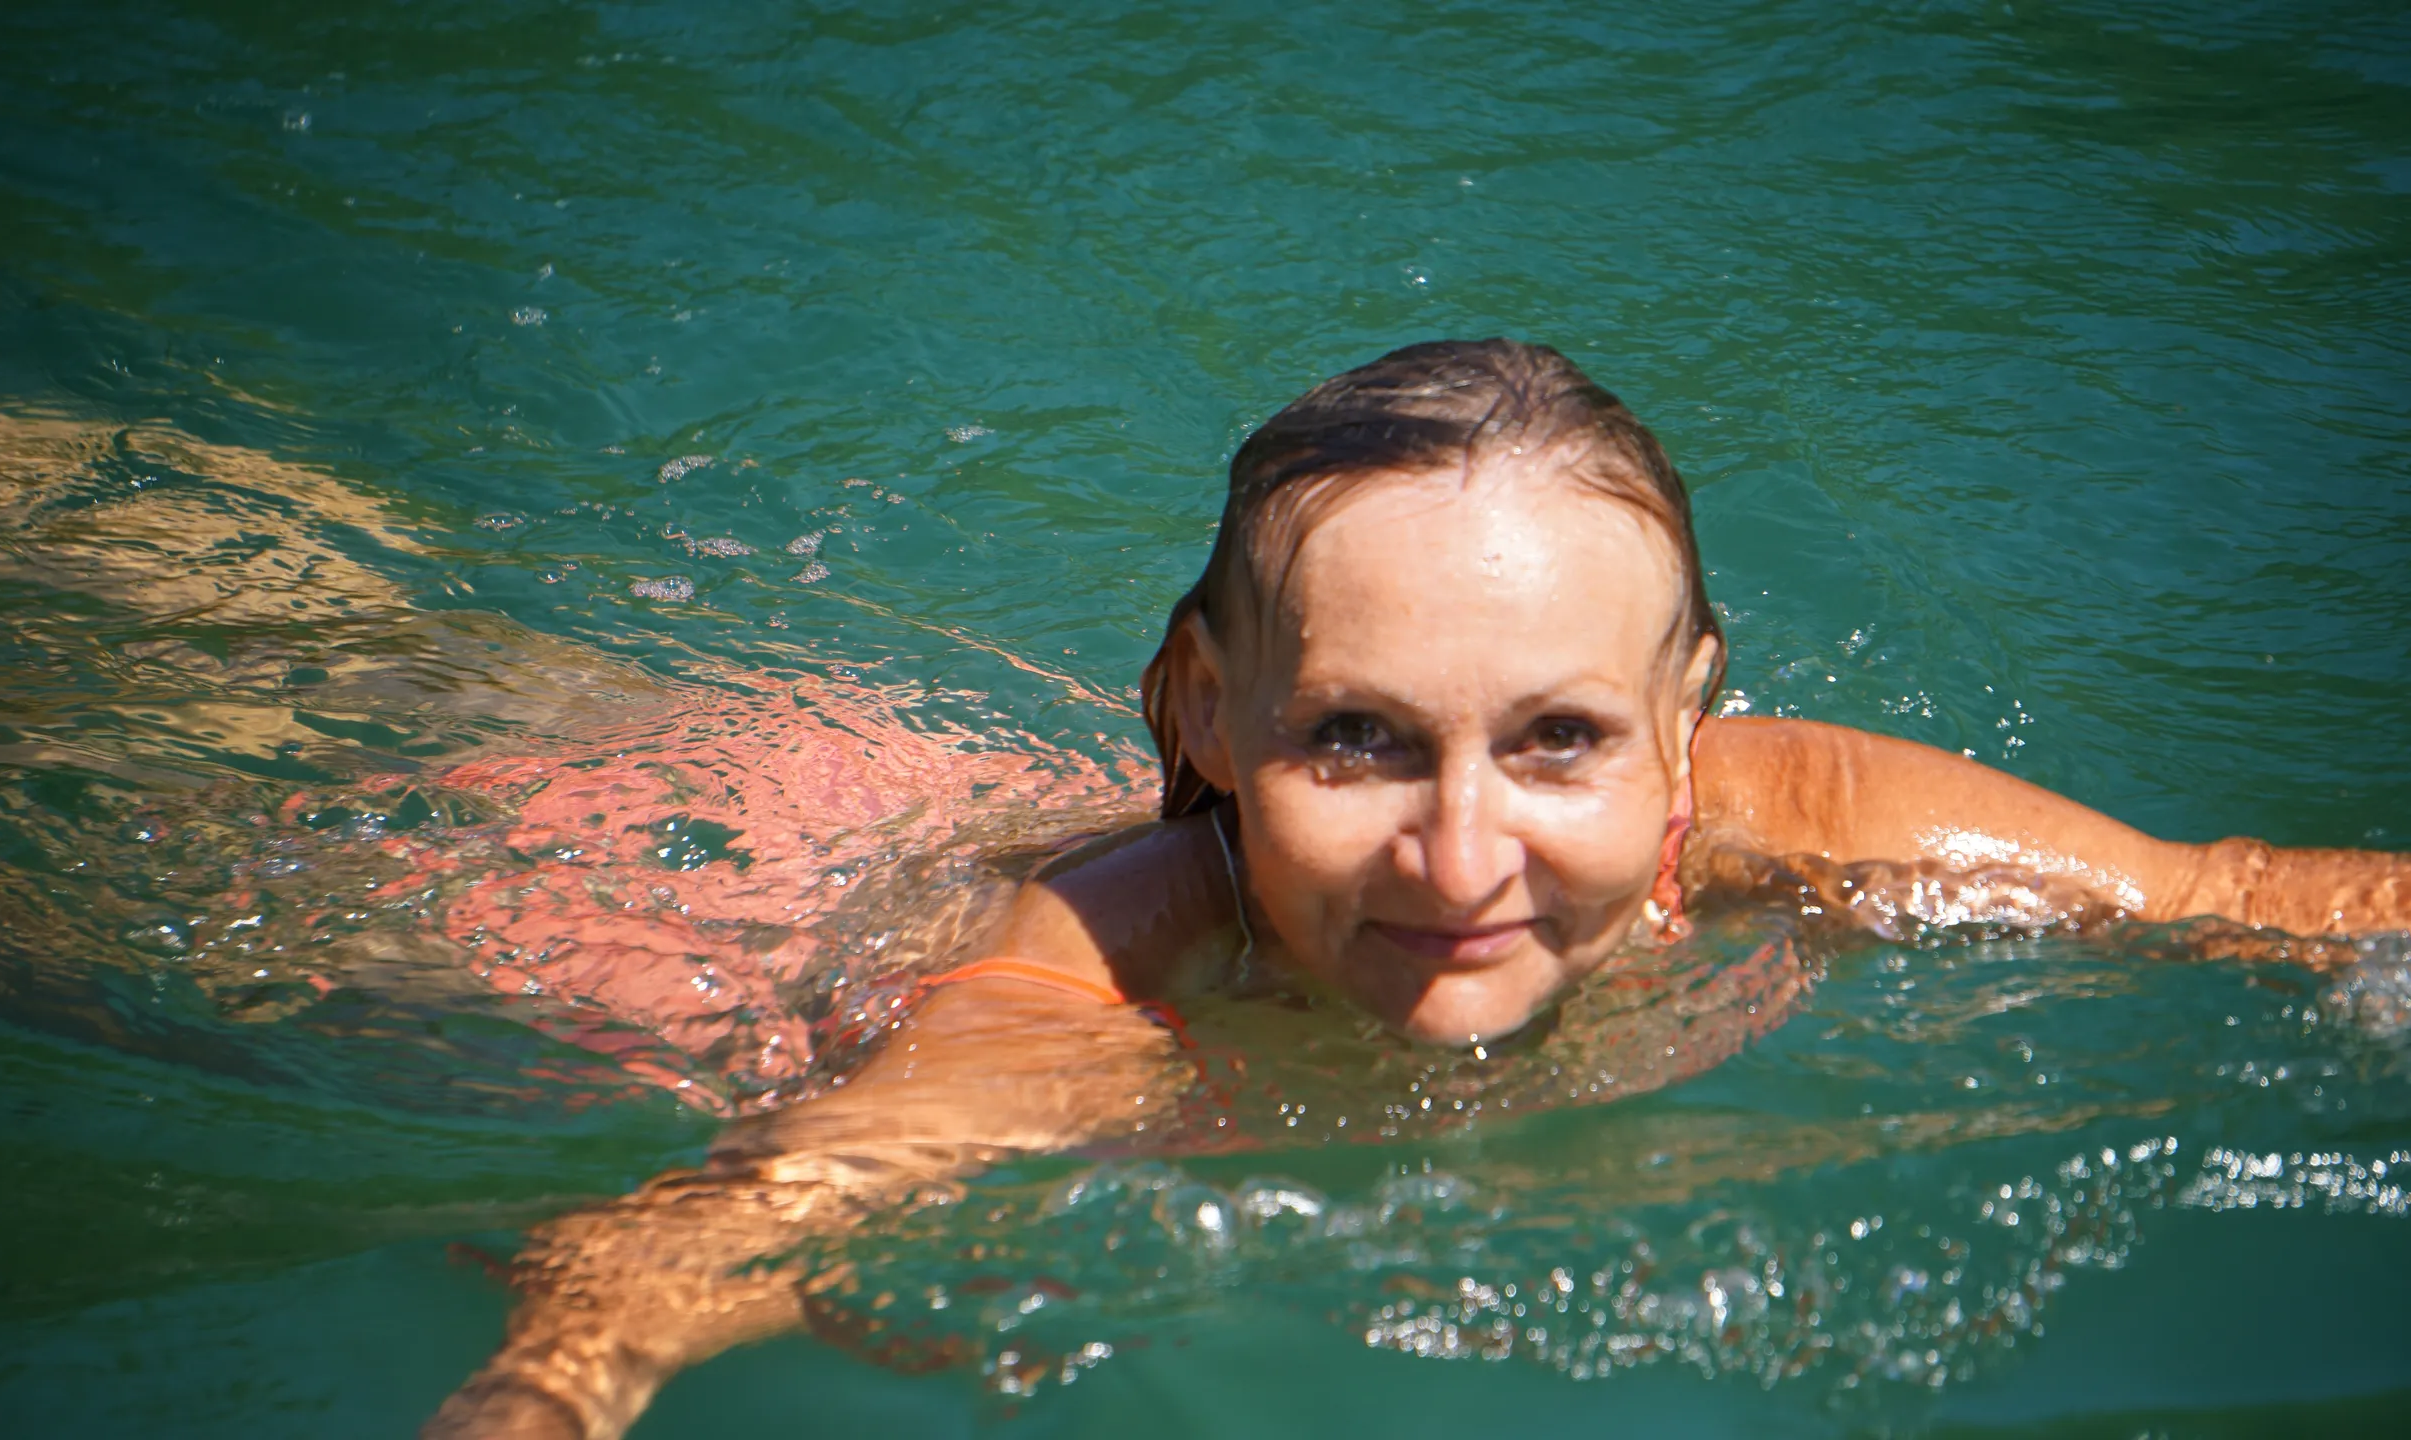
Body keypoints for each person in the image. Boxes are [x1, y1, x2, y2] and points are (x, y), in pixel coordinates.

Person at [424, 338, 2408, 1438]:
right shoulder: (1095, 981)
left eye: (1562, 742)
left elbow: (2252, 892)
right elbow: (674, 1257)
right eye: (1355, 741)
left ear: (1686, 720)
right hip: (608, 874)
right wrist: (544, 1398)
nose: (1464, 863)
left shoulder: (1783, 816)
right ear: (1209, 717)